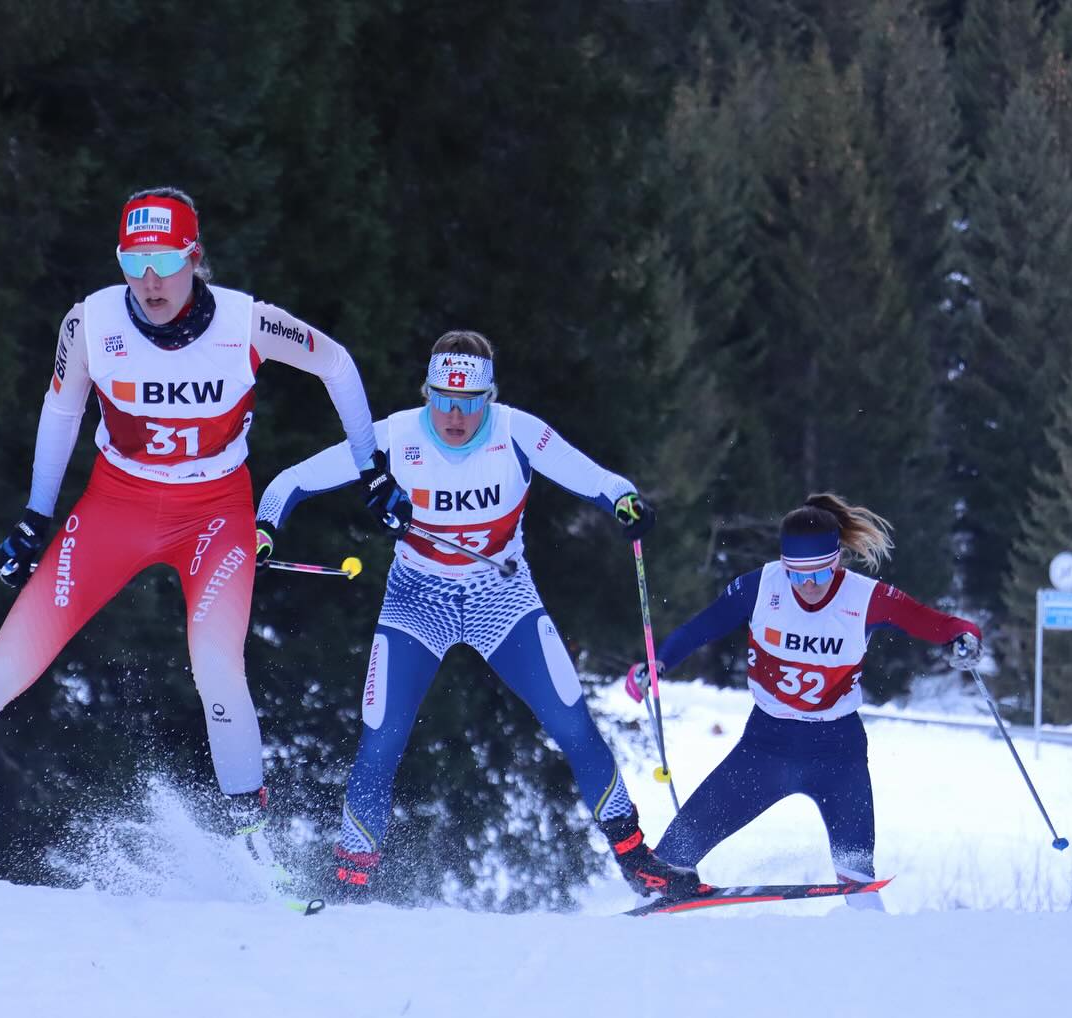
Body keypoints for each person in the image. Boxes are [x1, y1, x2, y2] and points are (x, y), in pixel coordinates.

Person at [0, 186, 410, 873]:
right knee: (6, 663)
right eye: (133, 259)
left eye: (164, 259)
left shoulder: (247, 323)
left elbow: (335, 363)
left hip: (215, 516)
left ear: (194, 258)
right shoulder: (89, 324)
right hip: (115, 510)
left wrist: (373, 471)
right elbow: (61, 414)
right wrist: (36, 517)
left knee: (218, 668)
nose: (149, 280)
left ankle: (251, 848)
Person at [254, 329, 700, 900]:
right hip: (418, 600)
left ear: (490, 398)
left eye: (469, 403)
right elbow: (290, 482)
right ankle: (352, 878)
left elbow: (597, 479)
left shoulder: (518, 432)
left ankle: (639, 861)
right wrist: (265, 530)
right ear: (428, 393)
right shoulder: (394, 436)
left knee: (572, 723)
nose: (455, 415)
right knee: (381, 737)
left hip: (501, 598)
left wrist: (625, 501)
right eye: (442, 399)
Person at [624, 493, 982, 907]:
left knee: (859, 887)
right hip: (765, 748)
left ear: (837, 562)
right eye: (796, 575)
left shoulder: (866, 598)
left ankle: (876, 957)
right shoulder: (760, 586)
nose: (808, 586)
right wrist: (659, 663)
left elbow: (936, 623)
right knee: (663, 868)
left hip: (838, 754)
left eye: (820, 574)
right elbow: (700, 628)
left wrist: (964, 636)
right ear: (783, 565)